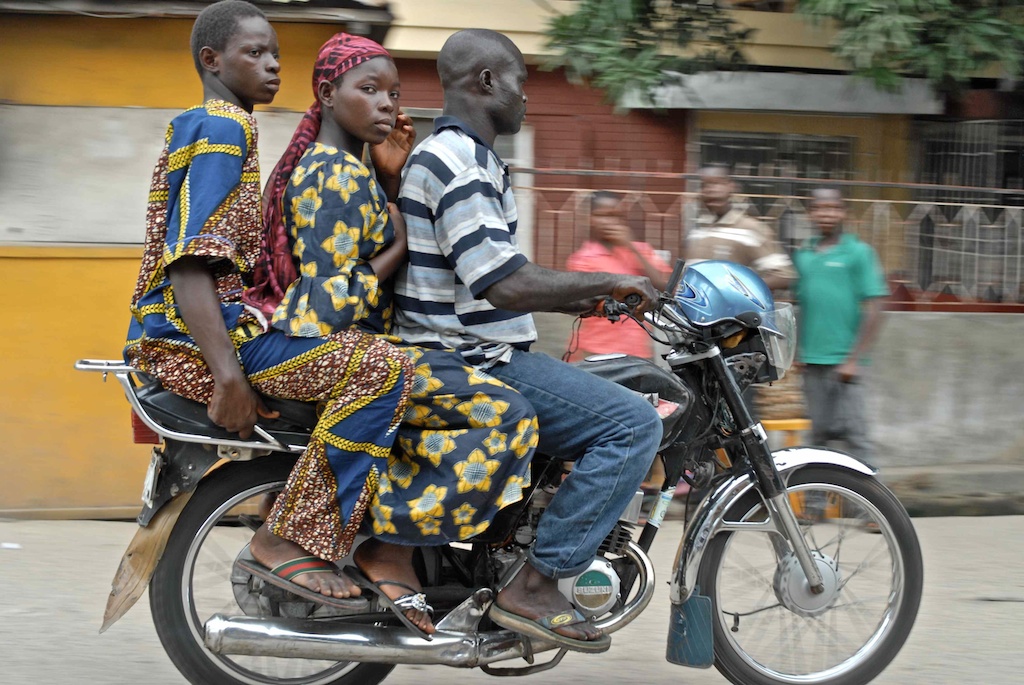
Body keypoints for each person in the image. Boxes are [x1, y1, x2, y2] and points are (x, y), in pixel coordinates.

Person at [123, 1, 417, 631]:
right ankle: (292, 542)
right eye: (253, 53)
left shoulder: (201, 123)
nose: (271, 65)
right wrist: (228, 375)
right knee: (382, 368)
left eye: (275, 54)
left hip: (175, 335)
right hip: (188, 341)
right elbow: (191, 263)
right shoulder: (228, 129)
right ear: (212, 60)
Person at [248, 32, 538, 635]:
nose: (387, 104)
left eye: (395, 92)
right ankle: (373, 543)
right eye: (370, 89)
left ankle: (404, 547)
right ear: (328, 94)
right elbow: (328, 302)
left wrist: (388, 181)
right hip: (328, 345)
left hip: (358, 346)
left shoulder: (352, 170)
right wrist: (400, 243)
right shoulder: (329, 173)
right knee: (504, 414)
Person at [394, 28, 663, 653]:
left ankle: (510, 562)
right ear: (486, 82)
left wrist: (590, 295)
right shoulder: (458, 160)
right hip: (469, 357)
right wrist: (609, 279)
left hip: (471, 347)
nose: (527, 98)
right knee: (630, 426)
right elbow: (503, 283)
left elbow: (493, 273)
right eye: (521, 81)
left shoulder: (470, 159)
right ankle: (537, 585)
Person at [793, 188, 888, 465]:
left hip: (846, 365)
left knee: (856, 438)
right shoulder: (804, 255)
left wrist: (854, 359)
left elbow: (875, 308)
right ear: (811, 213)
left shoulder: (859, 253)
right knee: (818, 436)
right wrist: (798, 352)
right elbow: (801, 306)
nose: (826, 214)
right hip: (812, 363)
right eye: (820, 208)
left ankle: (868, 506)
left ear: (843, 213)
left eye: (833, 208)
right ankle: (816, 504)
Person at [564, 191, 672, 361]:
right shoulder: (582, 259)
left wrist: (632, 248)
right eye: (602, 215)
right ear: (589, 219)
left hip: (637, 352)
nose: (610, 222)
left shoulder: (641, 251)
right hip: (596, 350)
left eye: (616, 216)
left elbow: (666, 288)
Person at [688, 165, 795, 290]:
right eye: (705, 185)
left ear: (731, 187)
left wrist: (740, 289)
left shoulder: (750, 229)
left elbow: (784, 276)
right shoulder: (697, 231)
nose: (710, 190)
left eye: (717, 183)